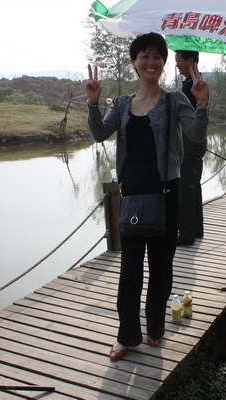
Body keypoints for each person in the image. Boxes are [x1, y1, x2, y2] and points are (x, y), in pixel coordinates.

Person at [85, 32, 209, 361]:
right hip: (132, 196)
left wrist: (201, 105)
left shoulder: (175, 101)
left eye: (157, 56)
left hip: (166, 194)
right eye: (144, 55)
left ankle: (155, 327)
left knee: (161, 268)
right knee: (129, 271)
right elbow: (99, 134)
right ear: (134, 62)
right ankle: (126, 336)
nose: (150, 61)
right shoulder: (121, 104)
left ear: (164, 62)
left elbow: (195, 136)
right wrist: (93, 104)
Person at [175, 50, 208, 246]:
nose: (176, 64)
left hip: (189, 143)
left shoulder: (191, 85)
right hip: (197, 143)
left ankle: (186, 235)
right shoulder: (195, 82)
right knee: (193, 187)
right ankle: (196, 230)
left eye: (178, 60)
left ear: (190, 61)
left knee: (185, 189)